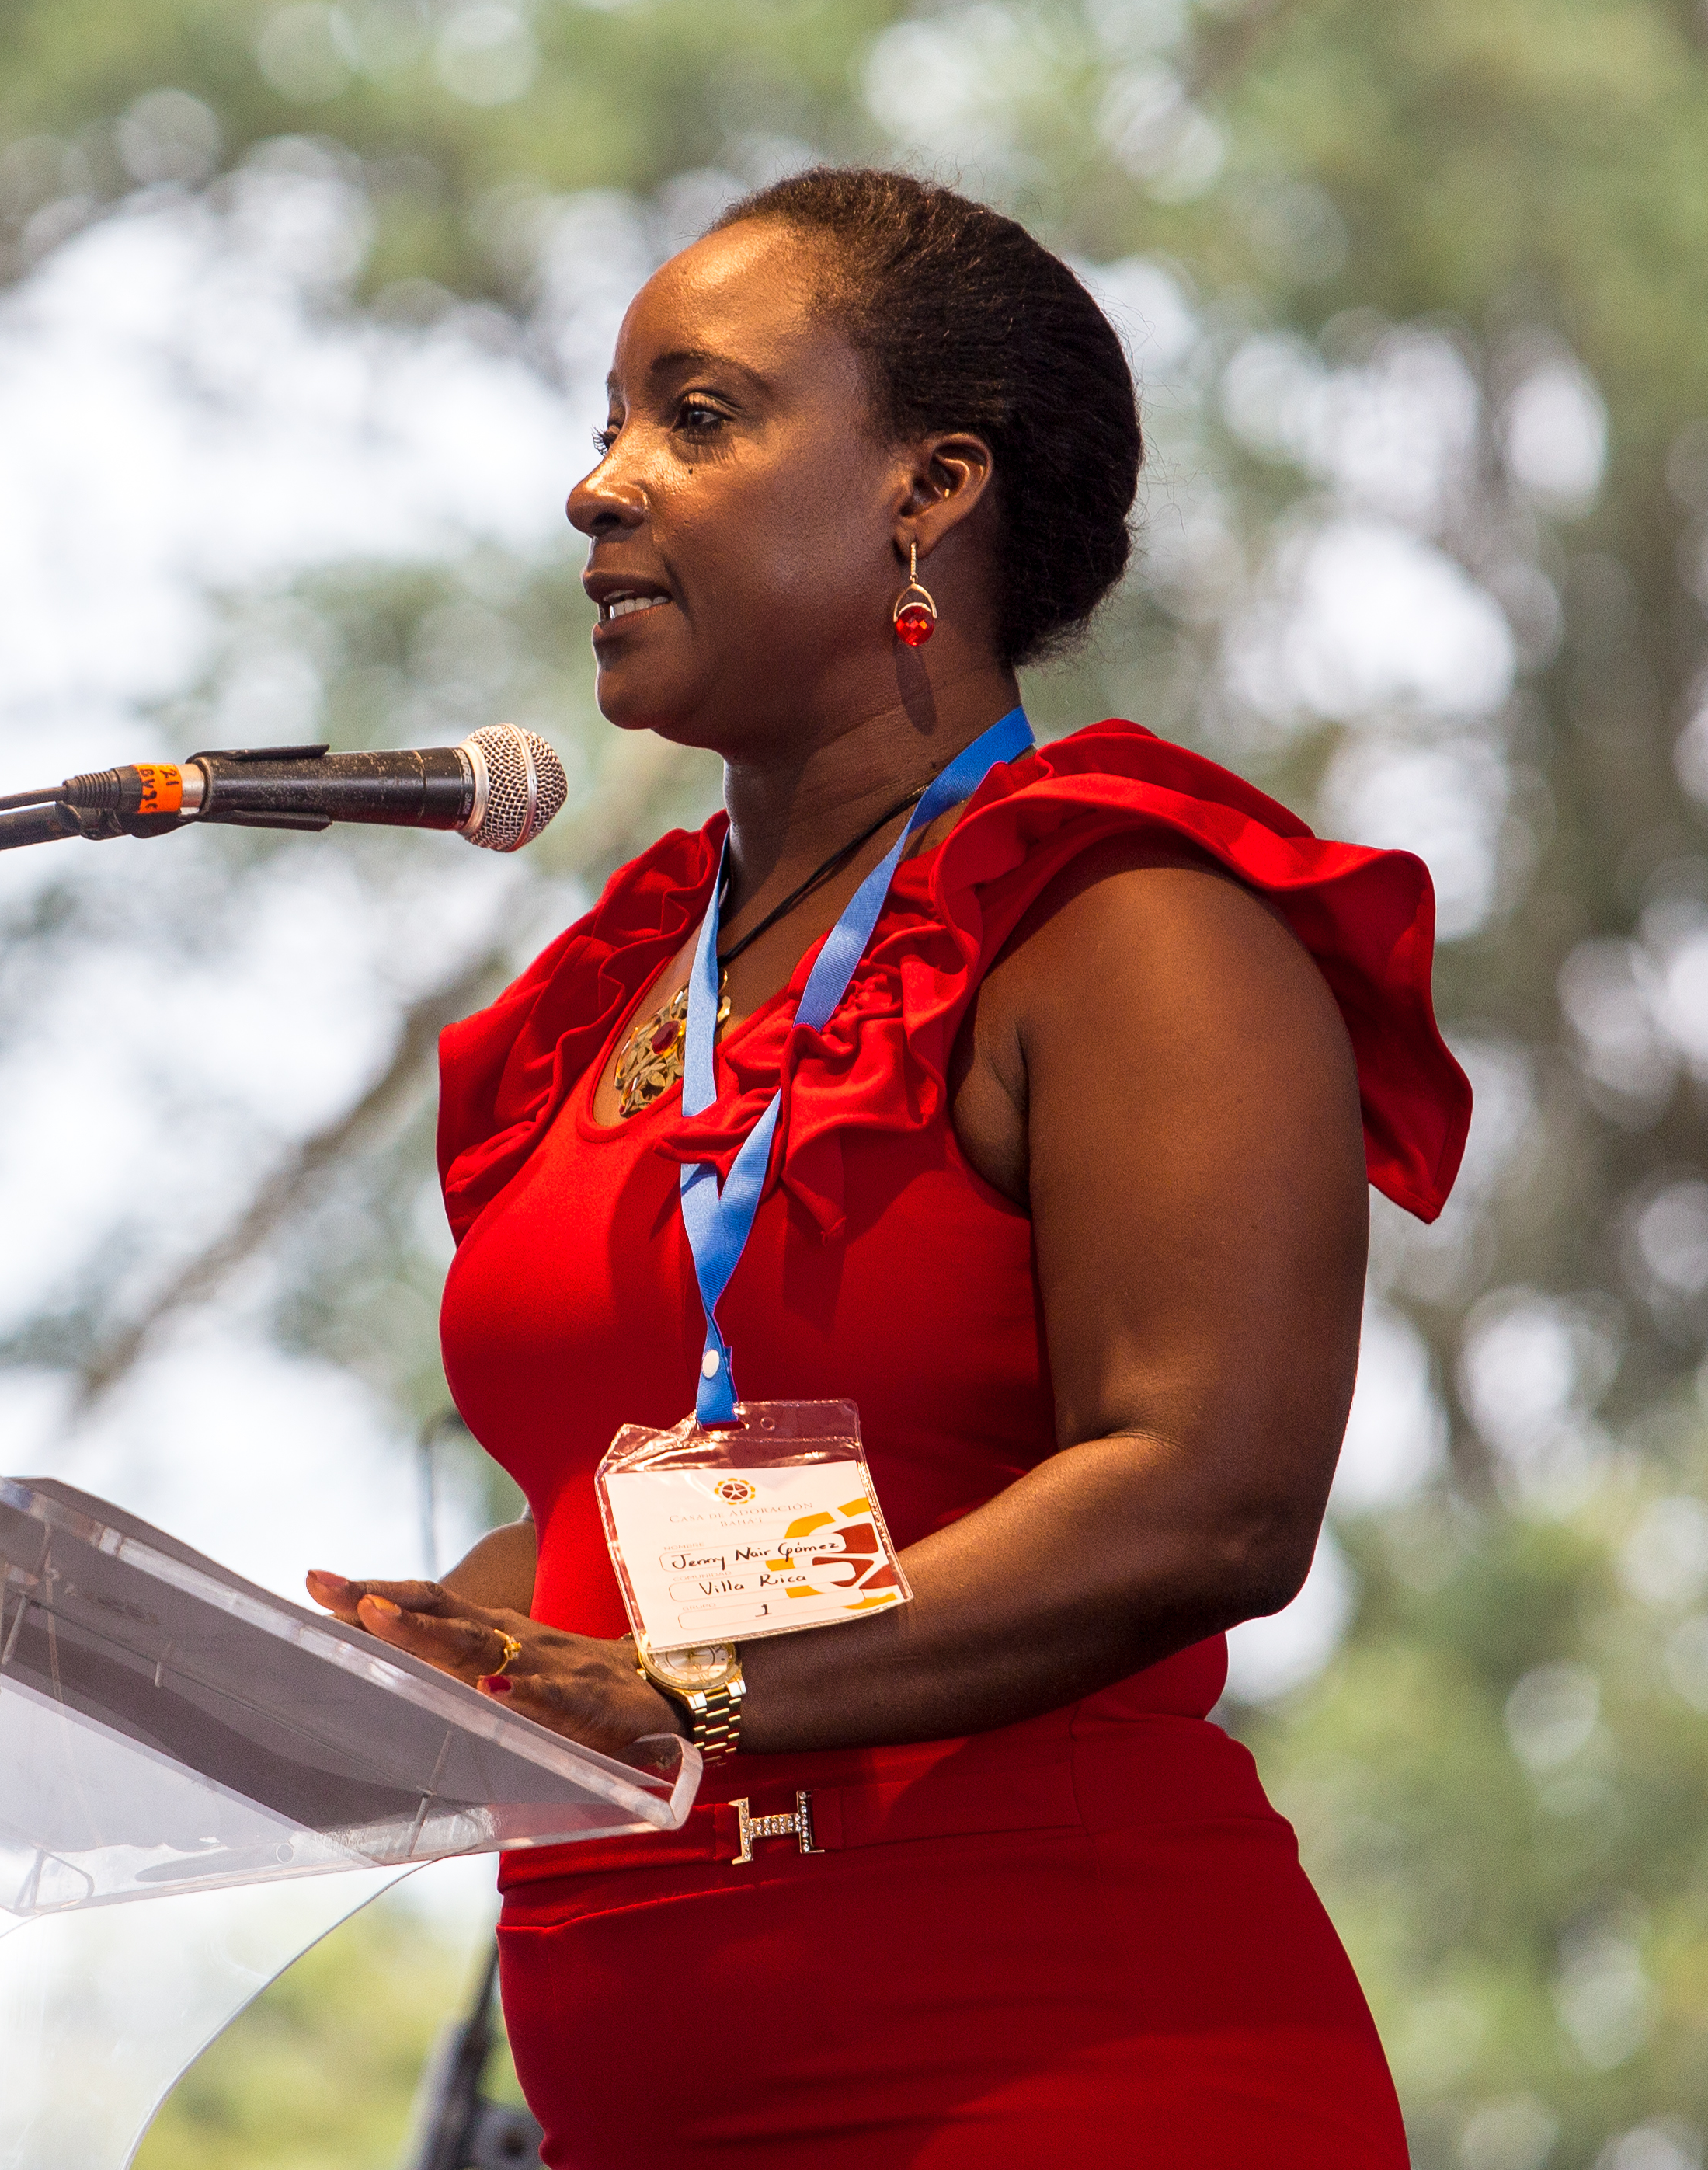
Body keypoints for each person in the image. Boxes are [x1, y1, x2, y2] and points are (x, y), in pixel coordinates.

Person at [302, 167, 1471, 2167]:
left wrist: (688, 1690)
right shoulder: (604, 1001)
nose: (597, 486)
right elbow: (604, 1531)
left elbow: (1206, 1500)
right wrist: (296, 1663)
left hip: (1061, 2067)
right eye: (602, 424)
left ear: (927, 491)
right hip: (640, 2095)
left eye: (695, 414)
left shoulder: (1123, 926)